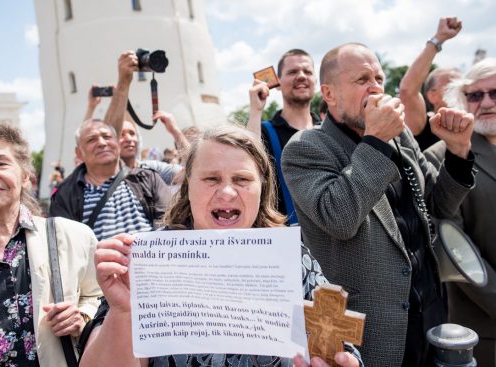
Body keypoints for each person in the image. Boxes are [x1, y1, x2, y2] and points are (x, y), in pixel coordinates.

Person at [79, 125, 362, 367]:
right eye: (211, 179)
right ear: (187, 185)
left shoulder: (292, 260)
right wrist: (123, 313)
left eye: (241, 179)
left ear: (262, 187)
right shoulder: (146, 263)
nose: (226, 192)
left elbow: (339, 347)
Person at [281, 43, 476, 366]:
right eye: (361, 80)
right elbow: (340, 219)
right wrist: (375, 141)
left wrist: (457, 152)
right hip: (372, 329)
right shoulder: (306, 148)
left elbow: (439, 206)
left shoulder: (401, 137)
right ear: (329, 94)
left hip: (430, 311)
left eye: (379, 78)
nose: (375, 87)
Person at [0, 122, 102, 366]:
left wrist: (83, 316)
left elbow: (100, 297)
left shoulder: (74, 237)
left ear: (25, 176)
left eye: (0, 163)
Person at [425, 57, 496, 367]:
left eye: (495, 93)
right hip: (483, 326)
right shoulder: (444, 155)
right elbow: (454, 247)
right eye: (475, 95)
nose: (486, 102)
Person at [49, 118, 171, 241]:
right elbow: (65, 246)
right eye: (92, 139)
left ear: (117, 143)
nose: (102, 143)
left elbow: (170, 226)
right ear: (79, 152)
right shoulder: (64, 195)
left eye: (107, 137)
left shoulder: (148, 179)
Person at [247, 49, 320, 222]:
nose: (301, 76)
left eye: (307, 72)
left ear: (315, 81)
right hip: (285, 238)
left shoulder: (329, 131)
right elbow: (247, 163)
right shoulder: (264, 131)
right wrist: (255, 111)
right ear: (277, 83)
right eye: (293, 72)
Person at [100, 51, 190, 185]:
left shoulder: (152, 169)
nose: (129, 138)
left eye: (132, 133)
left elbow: (194, 171)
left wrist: (175, 132)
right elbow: (108, 135)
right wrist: (123, 82)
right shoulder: (101, 173)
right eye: (122, 134)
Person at [399, 17, 462, 151]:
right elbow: (407, 90)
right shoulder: (425, 126)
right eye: (452, 85)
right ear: (432, 96)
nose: (461, 90)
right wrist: (439, 38)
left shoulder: (480, 125)